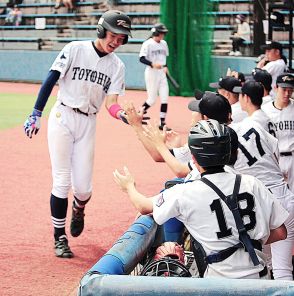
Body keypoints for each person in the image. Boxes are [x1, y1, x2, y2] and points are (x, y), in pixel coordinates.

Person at [113, 119, 288, 279]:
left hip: (220, 283)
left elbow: (143, 206)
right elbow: (281, 232)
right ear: (228, 153)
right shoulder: (252, 183)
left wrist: (129, 186)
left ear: (194, 158)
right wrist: (248, 241)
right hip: (260, 280)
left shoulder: (186, 191)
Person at [23, 10, 133, 258]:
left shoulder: (117, 66)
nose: (116, 42)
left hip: (88, 122)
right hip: (63, 116)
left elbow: (111, 102)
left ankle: (79, 207)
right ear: (101, 30)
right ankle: (59, 237)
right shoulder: (75, 49)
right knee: (62, 181)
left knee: (83, 189)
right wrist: (36, 113)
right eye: (114, 36)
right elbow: (51, 79)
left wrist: (123, 115)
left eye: (122, 38)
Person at [230, 80, 294, 280]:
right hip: (279, 186)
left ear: (246, 98)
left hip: (264, 199)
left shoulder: (251, 123)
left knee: (267, 264)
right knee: (277, 266)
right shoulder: (262, 116)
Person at [125, 91, 232, 178]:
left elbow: (172, 165)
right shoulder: (229, 133)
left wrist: (137, 126)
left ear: (205, 118)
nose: (192, 114)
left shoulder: (208, 139)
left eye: (196, 110)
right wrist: (177, 147)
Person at [262, 73, 294, 192]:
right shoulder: (265, 110)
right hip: (275, 159)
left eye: (290, 90)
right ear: (275, 88)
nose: (287, 93)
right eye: (284, 89)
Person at [139, 23, 170, 130]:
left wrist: (166, 67)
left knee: (165, 98)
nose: (163, 35)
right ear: (156, 33)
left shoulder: (164, 43)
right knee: (152, 99)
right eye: (161, 33)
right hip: (151, 72)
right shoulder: (148, 44)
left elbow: (164, 59)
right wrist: (152, 64)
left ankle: (162, 122)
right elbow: (141, 58)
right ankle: (139, 113)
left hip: (161, 73)